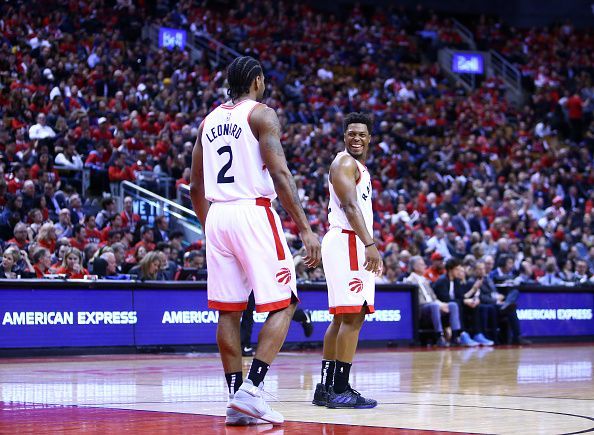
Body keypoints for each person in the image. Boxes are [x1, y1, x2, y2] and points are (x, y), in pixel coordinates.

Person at [189, 56, 321, 426]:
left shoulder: (208, 121)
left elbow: (195, 186)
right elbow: (279, 172)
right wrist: (306, 229)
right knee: (286, 302)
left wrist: (209, 224)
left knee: (228, 311)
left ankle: (235, 400)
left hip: (217, 215)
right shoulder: (263, 114)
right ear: (258, 81)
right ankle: (253, 389)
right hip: (252, 210)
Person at [312, 112, 380, 410]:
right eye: (351, 133)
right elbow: (351, 206)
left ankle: (326, 388)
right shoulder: (344, 163)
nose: (356, 137)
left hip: (345, 241)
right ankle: (340, 388)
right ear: (344, 137)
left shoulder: (357, 166)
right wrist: (370, 243)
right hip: (349, 241)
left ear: (369, 138)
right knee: (354, 317)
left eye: (361, 134)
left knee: (341, 318)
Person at [405, 256, 466, 347]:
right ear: (415, 267)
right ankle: (439, 336)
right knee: (434, 306)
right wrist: (438, 305)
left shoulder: (425, 280)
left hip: (433, 305)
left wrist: (442, 304)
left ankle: (455, 336)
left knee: (452, 305)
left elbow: (434, 297)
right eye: (422, 264)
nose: (425, 266)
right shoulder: (409, 281)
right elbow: (416, 301)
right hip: (421, 308)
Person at [432, 258, 480, 347]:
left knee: (475, 306)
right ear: (450, 270)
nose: (459, 272)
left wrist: (470, 301)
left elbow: (460, 296)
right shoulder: (441, 281)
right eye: (457, 269)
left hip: (455, 304)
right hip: (443, 307)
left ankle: (477, 333)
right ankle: (460, 334)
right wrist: (464, 301)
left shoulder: (456, 281)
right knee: (457, 305)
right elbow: (446, 299)